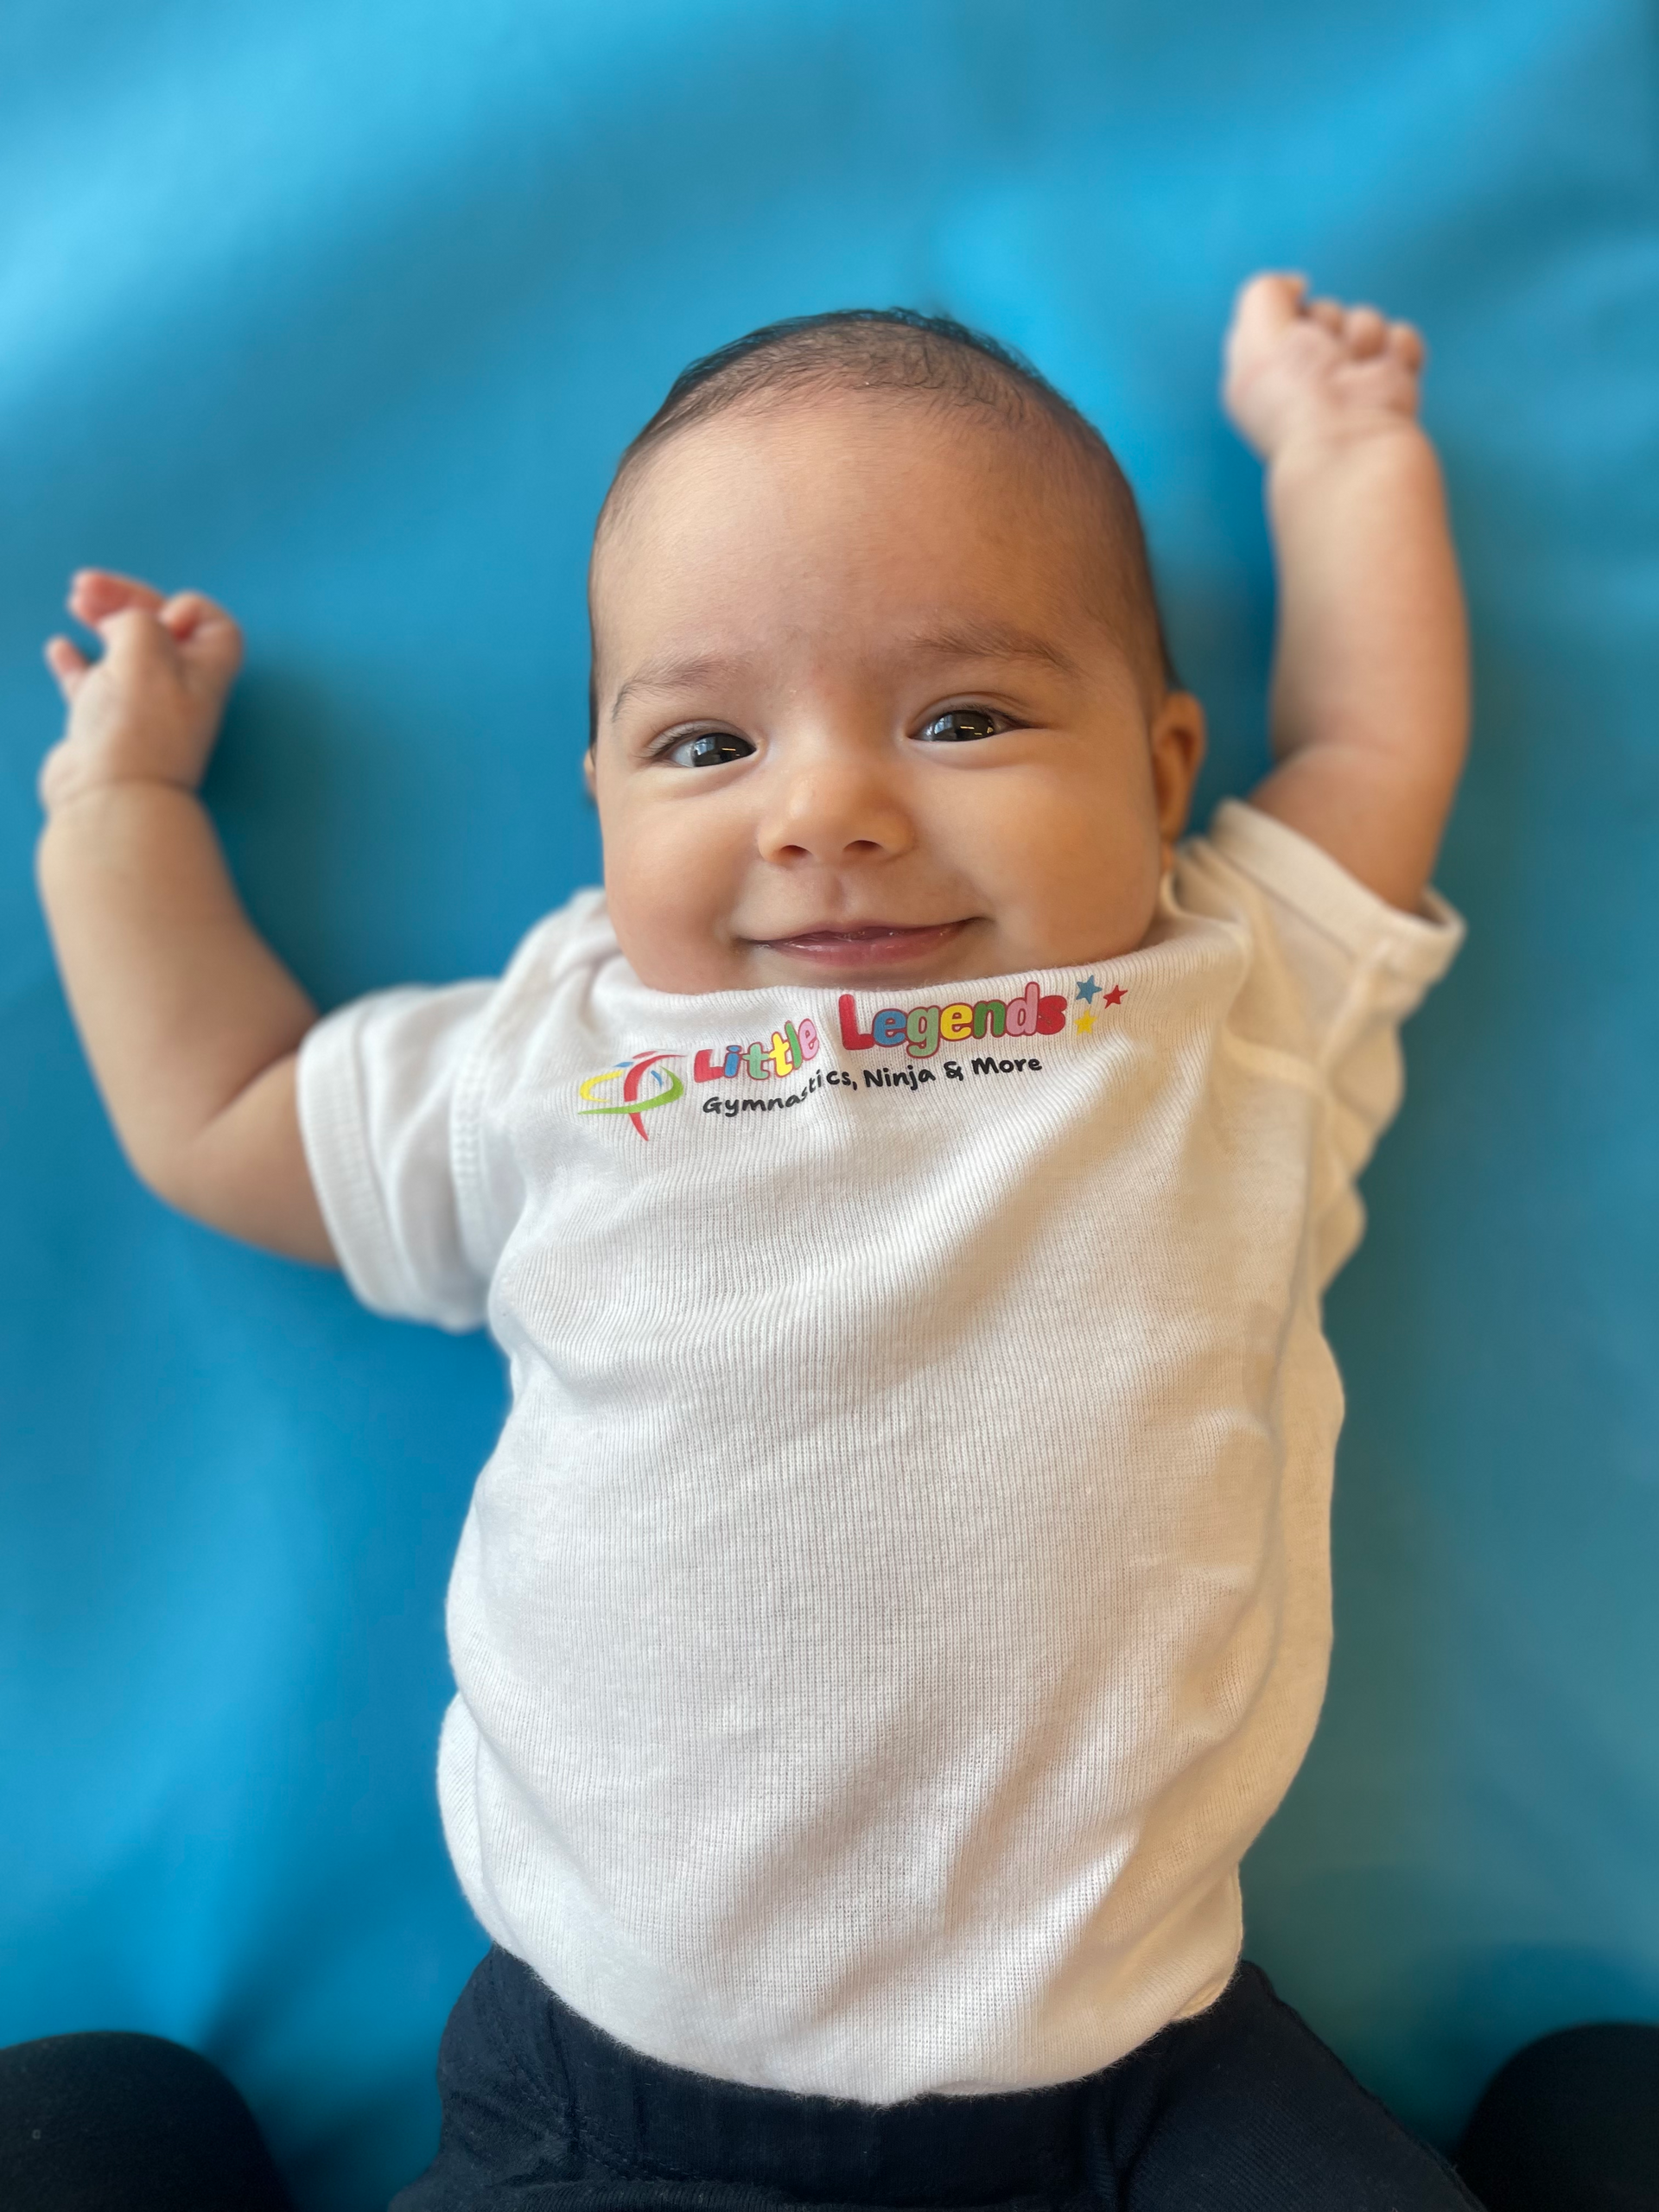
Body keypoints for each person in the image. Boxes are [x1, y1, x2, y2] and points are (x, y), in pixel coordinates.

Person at [35, 274, 1478, 2208]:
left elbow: (1380, 738)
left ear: (1159, 769)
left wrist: (1346, 450)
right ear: (600, 807)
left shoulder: (1229, 998)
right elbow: (220, 1107)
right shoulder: (561, 1054)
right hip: (618, 2098)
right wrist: (114, 806)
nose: (828, 809)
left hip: (1142, 2078)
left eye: (962, 716)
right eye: (706, 747)